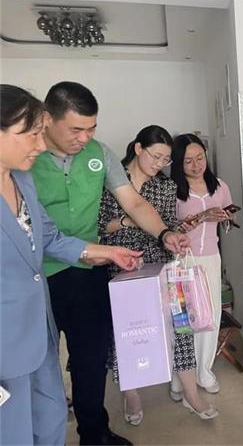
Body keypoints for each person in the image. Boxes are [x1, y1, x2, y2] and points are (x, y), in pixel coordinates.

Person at [30, 82, 189, 445]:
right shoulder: (27, 155)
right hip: (38, 274)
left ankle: (94, 433)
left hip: (88, 272)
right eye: (76, 129)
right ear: (47, 118)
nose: (85, 138)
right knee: (40, 364)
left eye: (91, 128)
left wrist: (164, 233)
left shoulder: (98, 153)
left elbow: (134, 203)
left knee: (91, 359)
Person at [0, 84, 142, 445]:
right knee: (12, 428)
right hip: (6, 341)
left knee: (49, 417)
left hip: (39, 326)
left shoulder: (21, 180)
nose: (39, 145)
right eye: (30, 134)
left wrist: (106, 252)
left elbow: (49, 236)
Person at [98, 126, 218, 426]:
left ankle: (192, 394)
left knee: (181, 329)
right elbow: (98, 228)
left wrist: (176, 236)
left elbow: (166, 225)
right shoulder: (108, 180)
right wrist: (128, 221)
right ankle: (132, 396)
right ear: (138, 148)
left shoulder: (164, 186)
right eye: (155, 156)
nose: (160, 164)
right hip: (120, 267)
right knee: (125, 333)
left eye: (166, 159)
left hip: (162, 266)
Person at [169, 133, 232, 397]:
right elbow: (168, 230)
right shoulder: (172, 190)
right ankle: (179, 378)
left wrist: (225, 218)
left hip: (211, 259)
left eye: (200, 158)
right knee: (183, 320)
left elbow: (227, 217)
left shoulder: (219, 186)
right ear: (178, 163)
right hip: (182, 260)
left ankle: (204, 372)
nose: (196, 165)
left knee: (210, 316)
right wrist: (201, 217)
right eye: (188, 161)